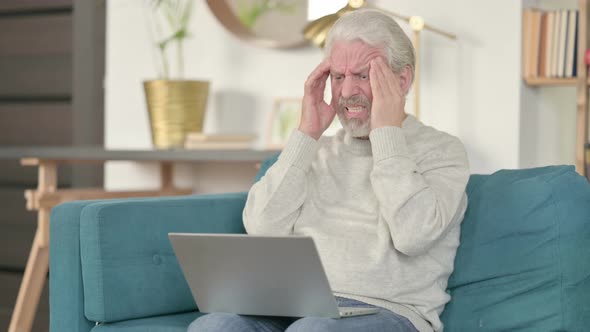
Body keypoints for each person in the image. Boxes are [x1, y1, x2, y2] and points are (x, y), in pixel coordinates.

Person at [188, 8, 469, 332]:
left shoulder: (443, 150)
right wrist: (306, 134)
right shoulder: (315, 151)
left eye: (363, 75)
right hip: (295, 305)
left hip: (388, 312)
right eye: (338, 77)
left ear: (402, 80)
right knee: (215, 326)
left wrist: (387, 133)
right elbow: (262, 228)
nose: (347, 92)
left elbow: (413, 236)